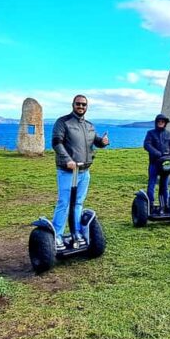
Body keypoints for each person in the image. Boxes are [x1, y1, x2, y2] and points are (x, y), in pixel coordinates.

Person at [51, 95, 110, 248]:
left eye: (84, 104)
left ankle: (76, 232)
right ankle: (57, 235)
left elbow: (94, 141)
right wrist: (67, 160)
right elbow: (56, 142)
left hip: (84, 171)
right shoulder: (63, 122)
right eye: (78, 104)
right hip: (68, 171)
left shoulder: (89, 126)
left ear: (87, 107)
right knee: (64, 202)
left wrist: (102, 142)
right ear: (73, 104)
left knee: (78, 203)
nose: (81, 107)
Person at [142, 113, 170, 209]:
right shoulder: (150, 133)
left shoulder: (169, 135)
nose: (161, 123)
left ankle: (165, 204)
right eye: (159, 121)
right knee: (152, 183)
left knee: (164, 185)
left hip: (166, 164)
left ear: (165, 123)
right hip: (154, 163)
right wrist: (156, 153)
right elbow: (146, 145)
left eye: (163, 121)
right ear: (156, 122)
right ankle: (151, 204)